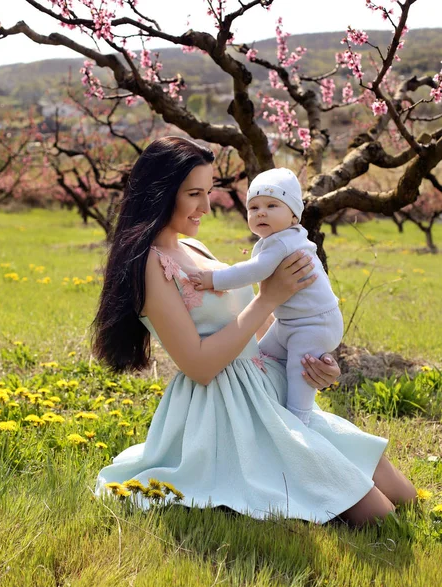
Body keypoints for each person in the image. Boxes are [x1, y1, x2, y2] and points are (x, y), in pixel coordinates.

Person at [92, 136, 417, 527]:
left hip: (265, 383)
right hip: (226, 406)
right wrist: (268, 297)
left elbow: (261, 328)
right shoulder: (150, 266)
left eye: (209, 192)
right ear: (160, 192)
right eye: (194, 194)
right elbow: (198, 365)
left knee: (405, 496)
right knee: (377, 516)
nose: (207, 207)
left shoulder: (195, 248)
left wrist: (315, 364)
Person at [188, 167, 343, 426]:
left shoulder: (283, 242)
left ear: (294, 216)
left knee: (300, 370)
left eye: (272, 205)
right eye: (254, 207)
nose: (261, 212)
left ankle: (299, 420)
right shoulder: (278, 239)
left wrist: (213, 280)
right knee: (263, 357)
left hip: (313, 324)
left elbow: (255, 270)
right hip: (290, 323)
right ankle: (272, 405)